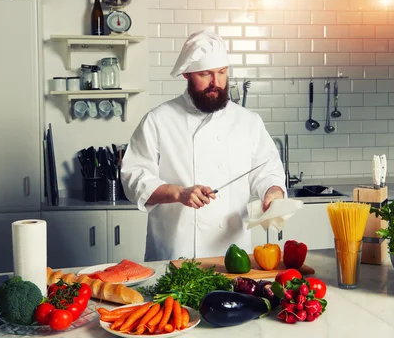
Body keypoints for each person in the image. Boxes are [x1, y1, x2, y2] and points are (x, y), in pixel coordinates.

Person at [121, 30, 286, 262]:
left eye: (221, 72)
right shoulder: (158, 120)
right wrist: (178, 193)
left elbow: (267, 171)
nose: (215, 83)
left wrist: (273, 192)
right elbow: (133, 178)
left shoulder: (248, 121)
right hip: (177, 251)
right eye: (205, 74)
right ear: (187, 75)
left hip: (232, 253)